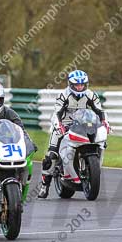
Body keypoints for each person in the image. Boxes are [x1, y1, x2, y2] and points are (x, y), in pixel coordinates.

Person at [38, 70, 109, 198]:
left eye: (82, 85)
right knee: (51, 156)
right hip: (64, 124)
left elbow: (100, 111)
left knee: (100, 141)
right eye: (76, 85)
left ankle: (89, 169)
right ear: (70, 84)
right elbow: (57, 113)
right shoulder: (63, 95)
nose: (79, 87)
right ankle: (44, 186)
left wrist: (104, 122)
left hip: (82, 123)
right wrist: (59, 126)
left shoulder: (91, 95)